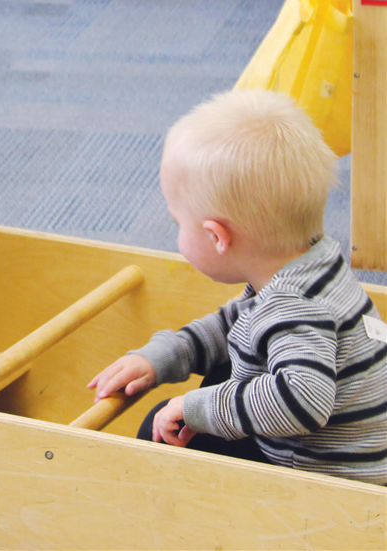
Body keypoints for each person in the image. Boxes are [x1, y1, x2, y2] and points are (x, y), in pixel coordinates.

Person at [88, 88, 387, 486]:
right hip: (345, 448)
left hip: (331, 482)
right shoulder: (310, 262)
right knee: (222, 374)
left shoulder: (291, 305)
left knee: (159, 427)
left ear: (217, 238)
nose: (176, 231)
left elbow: (303, 400)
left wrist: (195, 407)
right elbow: (234, 324)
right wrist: (164, 356)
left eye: (179, 223)